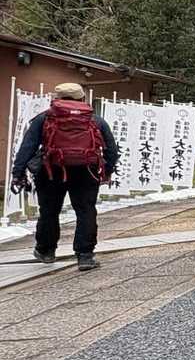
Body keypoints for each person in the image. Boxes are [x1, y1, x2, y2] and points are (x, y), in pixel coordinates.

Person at [9, 83, 119, 270]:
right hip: (86, 170)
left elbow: (27, 147)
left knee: (49, 211)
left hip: (51, 170)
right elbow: (112, 150)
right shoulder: (95, 120)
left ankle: (46, 251)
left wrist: (17, 173)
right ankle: (85, 256)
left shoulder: (44, 118)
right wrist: (107, 171)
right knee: (85, 211)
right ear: (82, 98)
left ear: (56, 99)